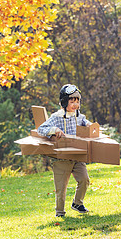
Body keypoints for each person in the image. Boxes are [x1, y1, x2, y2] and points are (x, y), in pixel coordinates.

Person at [37, 84, 91, 217]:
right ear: (64, 102)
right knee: (61, 188)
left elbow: (87, 123)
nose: (75, 104)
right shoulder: (56, 117)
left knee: (84, 179)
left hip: (77, 156)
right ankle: (60, 212)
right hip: (61, 158)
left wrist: (90, 126)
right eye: (72, 101)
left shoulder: (79, 116)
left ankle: (77, 203)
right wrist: (54, 130)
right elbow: (41, 129)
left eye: (77, 101)